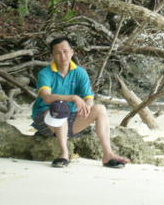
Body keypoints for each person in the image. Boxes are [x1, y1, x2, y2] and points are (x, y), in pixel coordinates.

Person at [31, 36, 130, 168]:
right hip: (46, 119)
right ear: (52, 55)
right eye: (58, 53)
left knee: (100, 109)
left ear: (72, 52)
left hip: (70, 120)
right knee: (60, 107)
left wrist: (87, 107)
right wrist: (73, 98)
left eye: (65, 51)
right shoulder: (45, 73)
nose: (62, 56)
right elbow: (47, 98)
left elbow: (89, 97)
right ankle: (64, 154)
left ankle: (108, 155)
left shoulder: (80, 72)